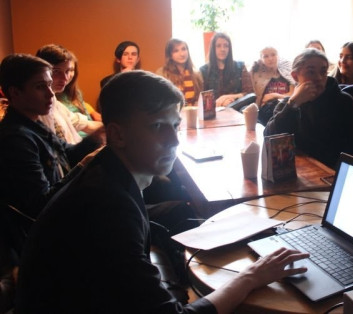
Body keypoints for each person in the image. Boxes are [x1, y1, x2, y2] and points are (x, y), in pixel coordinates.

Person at [15, 70, 309, 313]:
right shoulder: (109, 207)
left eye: (174, 125)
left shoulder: (106, 171)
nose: (173, 140)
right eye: (157, 126)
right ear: (117, 134)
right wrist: (250, 277)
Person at [0, 54, 101, 220]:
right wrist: (82, 166)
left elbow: (68, 153)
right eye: (40, 87)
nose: (50, 94)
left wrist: (97, 138)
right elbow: (41, 205)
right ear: (15, 92)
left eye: (49, 84)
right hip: (46, 229)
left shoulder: (35, 125)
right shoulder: (16, 140)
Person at [265, 48, 353, 167]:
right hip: (304, 170)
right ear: (295, 76)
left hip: (334, 170)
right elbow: (270, 137)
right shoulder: (288, 104)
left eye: (323, 72)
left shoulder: (343, 101)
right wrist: (294, 103)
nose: (319, 78)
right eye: (311, 72)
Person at [36, 44, 104, 143]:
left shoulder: (57, 104)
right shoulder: (36, 109)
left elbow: (86, 125)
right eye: (56, 71)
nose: (65, 78)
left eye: (68, 71)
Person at [55, 50, 102, 137]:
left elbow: (87, 121)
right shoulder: (52, 102)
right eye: (57, 71)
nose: (65, 77)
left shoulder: (75, 92)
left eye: (70, 70)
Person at [200, 32, 253, 107]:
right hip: (215, 109)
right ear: (213, 48)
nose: (222, 49)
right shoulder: (204, 71)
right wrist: (220, 103)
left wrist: (226, 97)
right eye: (218, 46)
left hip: (239, 108)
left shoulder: (240, 67)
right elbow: (203, 100)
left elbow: (249, 93)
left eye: (226, 46)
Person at [249, 46, 294, 125]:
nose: (270, 58)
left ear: (278, 56)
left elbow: (292, 95)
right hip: (267, 109)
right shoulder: (257, 75)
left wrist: (274, 95)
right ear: (261, 59)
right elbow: (259, 99)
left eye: (273, 55)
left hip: (285, 106)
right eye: (265, 56)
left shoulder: (287, 73)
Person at [157, 38, 203, 106]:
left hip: (193, 111)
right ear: (170, 55)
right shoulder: (163, 74)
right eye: (176, 51)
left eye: (184, 49)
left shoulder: (196, 73)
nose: (182, 54)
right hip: (173, 112)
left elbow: (200, 98)